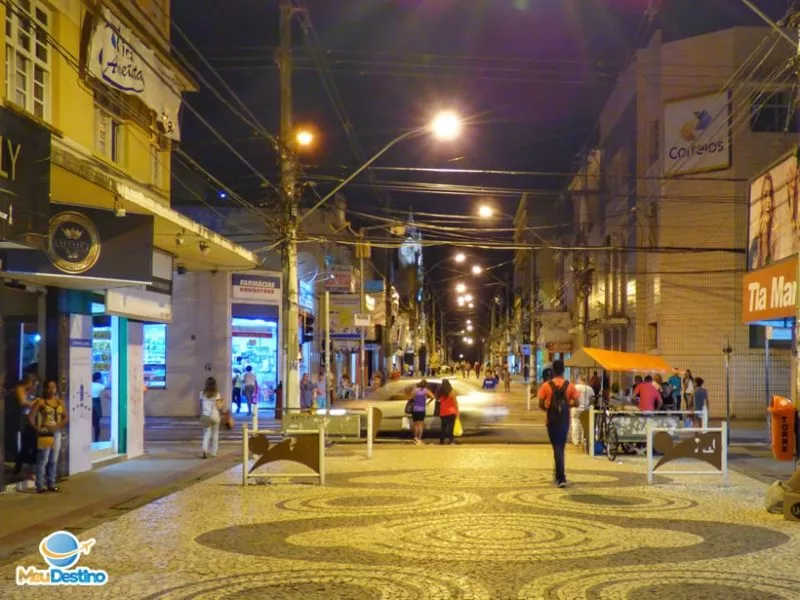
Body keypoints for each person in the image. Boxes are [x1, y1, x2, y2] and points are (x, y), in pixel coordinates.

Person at [537, 360, 579, 487]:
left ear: (553, 371)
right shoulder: (570, 386)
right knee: (560, 447)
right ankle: (558, 475)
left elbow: (540, 404)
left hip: (551, 421)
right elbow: (577, 403)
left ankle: (561, 478)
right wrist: (568, 404)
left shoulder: (546, 386)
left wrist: (549, 408)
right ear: (563, 370)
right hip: (564, 421)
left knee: (557, 447)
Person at [29, 380, 67, 493]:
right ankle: (40, 485)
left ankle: (51, 483)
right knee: (43, 459)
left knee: (53, 459)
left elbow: (65, 417)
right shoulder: (41, 402)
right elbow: (31, 416)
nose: (51, 390)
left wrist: (58, 426)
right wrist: (37, 428)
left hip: (56, 433)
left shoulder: (60, 402)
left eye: (53, 387)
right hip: (45, 433)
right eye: (49, 387)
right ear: (45, 389)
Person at [12, 374, 38, 477]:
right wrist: (36, 401)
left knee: (32, 444)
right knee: (25, 445)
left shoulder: (30, 391)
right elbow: (23, 403)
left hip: (30, 419)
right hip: (23, 419)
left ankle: (28, 468)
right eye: (33, 383)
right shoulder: (20, 389)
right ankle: (17, 469)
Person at [199, 377, 224, 459]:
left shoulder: (202, 393)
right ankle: (214, 452)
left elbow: (200, 406)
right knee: (215, 434)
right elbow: (219, 407)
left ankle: (204, 449)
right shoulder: (217, 394)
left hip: (206, 416)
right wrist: (222, 402)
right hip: (215, 416)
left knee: (206, 434)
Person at [410, 379, 435, 445]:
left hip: (415, 409)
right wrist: (427, 402)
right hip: (422, 409)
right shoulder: (426, 391)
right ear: (425, 385)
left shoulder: (415, 390)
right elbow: (433, 397)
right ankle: (419, 439)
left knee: (415, 424)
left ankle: (415, 438)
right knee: (420, 425)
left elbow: (411, 398)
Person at [571, 375, 593, 446]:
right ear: (587, 380)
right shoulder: (590, 389)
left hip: (576, 408)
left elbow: (571, 397)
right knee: (584, 425)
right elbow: (592, 399)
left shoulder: (575, 387)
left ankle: (576, 441)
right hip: (585, 409)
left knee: (575, 424)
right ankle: (583, 441)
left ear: (580, 380)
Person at [437, 379, 459, 445]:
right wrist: (457, 411)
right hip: (451, 412)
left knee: (443, 427)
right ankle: (451, 441)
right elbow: (455, 402)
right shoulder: (452, 392)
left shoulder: (440, 393)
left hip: (443, 412)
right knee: (451, 427)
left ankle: (441, 441)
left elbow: (438, 400)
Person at [91, 372, 105, 442]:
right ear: (98, 379)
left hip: (90, 402)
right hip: (96, 403)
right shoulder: (100, 386)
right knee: (96, 423)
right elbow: (105, 386)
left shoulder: (89, 384)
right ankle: (96, 439)